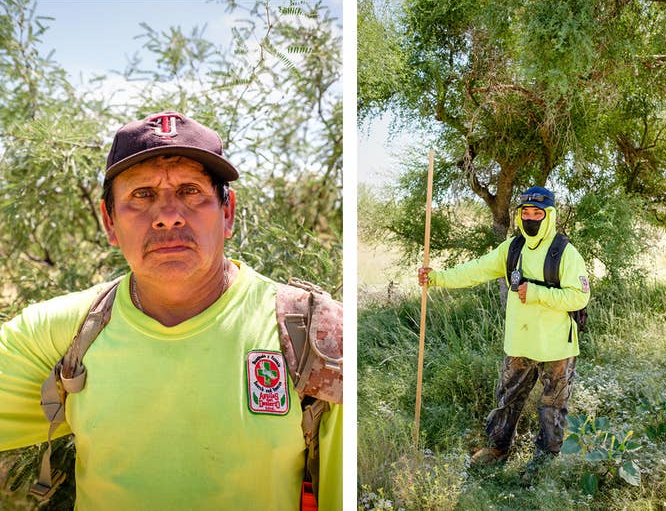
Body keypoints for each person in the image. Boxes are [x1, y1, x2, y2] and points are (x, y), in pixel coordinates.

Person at [0, 112, 342, 510]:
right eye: (142, 195)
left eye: (191, 190)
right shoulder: (62, 332)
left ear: (227, 212)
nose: (167, 214)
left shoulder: (315, 338)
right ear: (109, 221)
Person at [418, 186, 589, 472]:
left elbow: (579, 297)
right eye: (526, 213)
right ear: (519, 216)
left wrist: (535, 292)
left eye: (538, 213)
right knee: (507, 399)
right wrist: (436, 278)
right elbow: (475, 270)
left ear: (550, 215)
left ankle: (545, 462)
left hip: (557, 347)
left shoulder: (566, 253)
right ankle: (497, 449)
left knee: (552, 406)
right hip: (521, 343)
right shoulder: (512, 248)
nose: (531, 218)